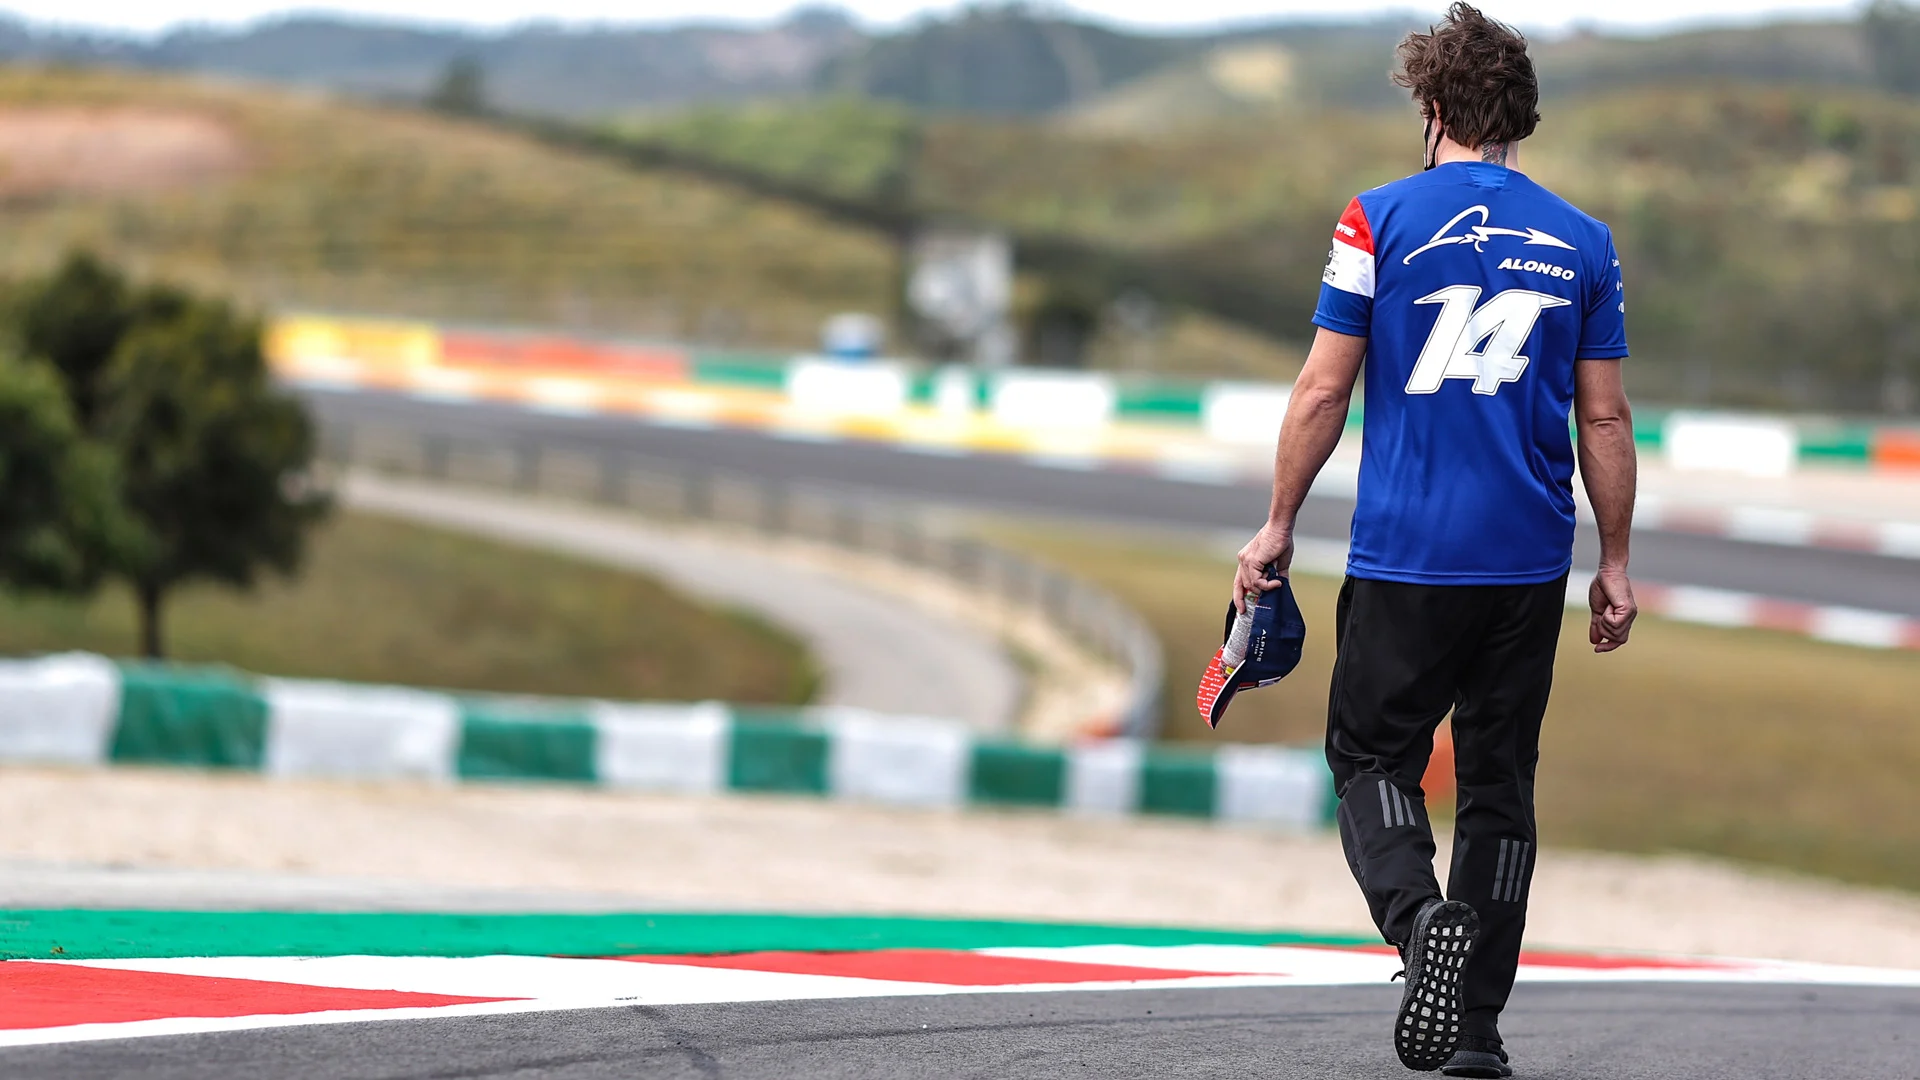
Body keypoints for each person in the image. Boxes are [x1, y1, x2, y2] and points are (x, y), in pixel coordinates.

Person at [1229, 4, 1639, 1075]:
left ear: (1429, 106)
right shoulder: (1584, 242)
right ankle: (1478, 1036)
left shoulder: (1377, 220)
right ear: (1522, 117)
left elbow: (1326, 388)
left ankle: (1418, 927)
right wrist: (1617, 563)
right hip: (1527, 563)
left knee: (1370, 757)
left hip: (1408, 556)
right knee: (1500, 787)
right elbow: (1604, 418)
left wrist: (1276, 524)